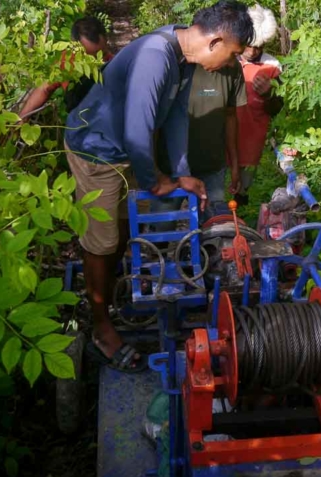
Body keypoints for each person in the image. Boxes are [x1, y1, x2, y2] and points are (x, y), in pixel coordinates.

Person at [64, 1, 254, 372]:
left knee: (121, 232)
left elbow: (175, 118)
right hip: (98, 152)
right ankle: (101, 327)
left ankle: (111, 294)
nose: (230, 65)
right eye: (232, 55)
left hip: (127, 154)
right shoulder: (156, 55)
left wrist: (181, 172)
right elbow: (138, 130)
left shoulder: (182, 55)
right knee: (100, 242)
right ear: (215, 41)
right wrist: (156, 182)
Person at [151, 57, 247, 227]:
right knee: (161, 229)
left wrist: (234, 165)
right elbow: (156, 121)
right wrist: (155, 169)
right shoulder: (178, 65)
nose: (235, 57)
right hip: (171, 169)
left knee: (214, 230)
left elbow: (231, 116)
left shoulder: (232, 68)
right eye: (233, 50)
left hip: (212, 167)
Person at [234, 4, 284, 206]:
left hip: (254, 135)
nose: (253, 51)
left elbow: (279, 109)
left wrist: (269, 94)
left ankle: (242, 209)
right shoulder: (227, 60)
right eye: (250, 45)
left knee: (243, 188)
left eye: (259, 46)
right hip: (225, 134)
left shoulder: (272, 66)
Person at [19, 17, 114, 120]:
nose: (97, 61)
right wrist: (21, 119)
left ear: (106, 41)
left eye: (102, 54)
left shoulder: (115, 65)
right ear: (75, 48)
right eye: (89, 58)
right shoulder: (66, 63)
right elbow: (44, 89)